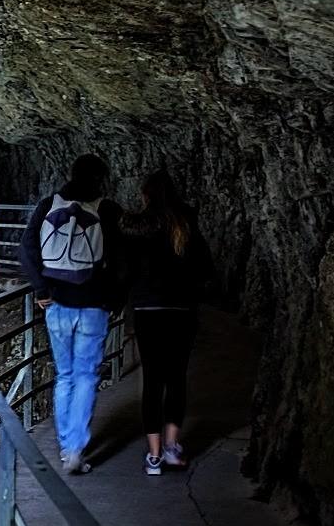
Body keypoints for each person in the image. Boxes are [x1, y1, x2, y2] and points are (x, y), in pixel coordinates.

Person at [18, 154, 123, 474]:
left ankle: (66, 448)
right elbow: (120, 259)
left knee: (64, 376)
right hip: (93, 305)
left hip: (57, 304)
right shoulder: (106, 209)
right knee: (86, 376)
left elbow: (26, 248)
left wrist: (41, 290)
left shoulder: (49, 203)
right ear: (100, 179)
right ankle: (78, 447)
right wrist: (114, 298)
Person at [120, 170, 215, 475]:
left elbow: (126, 271)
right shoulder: (186, 227)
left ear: (146, 196)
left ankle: (154, 455)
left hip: (148, 311)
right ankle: (173, 447)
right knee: (176, 378)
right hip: (181, 311)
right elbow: (205, 269)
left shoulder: (136, 229)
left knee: (152, 380)